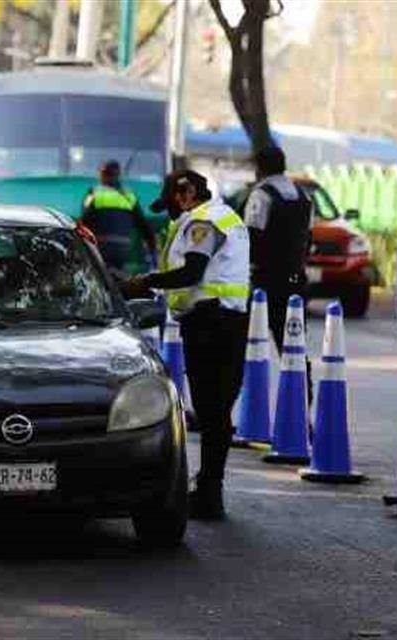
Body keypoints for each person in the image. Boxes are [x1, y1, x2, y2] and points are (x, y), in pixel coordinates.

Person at [122, 170, 250, 520]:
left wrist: (144, 282)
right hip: (227, 322)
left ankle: (210, 494)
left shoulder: (204, 222)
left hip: (211, 324)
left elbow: (192, 272)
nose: (172, 214)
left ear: (187, 192)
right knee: (216, 412)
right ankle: (211, 491)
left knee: (212, 412)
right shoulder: (225, 217)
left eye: (172, 205)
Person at [243, 146, 314, 406]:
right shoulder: (303, 196)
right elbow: (308, 238)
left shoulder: (261, 195)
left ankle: (239, 411)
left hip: (264, 283)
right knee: (294, 347)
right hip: (296, 280)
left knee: (245, 345)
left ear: (259, 167)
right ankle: (300, 411)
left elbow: (251, 238)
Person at [80, 160, 157, 277]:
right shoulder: (129, 196)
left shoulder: (95, 193)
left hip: (101, 245)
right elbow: (143, 224)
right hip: (123, 247)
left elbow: (85, 220)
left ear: (103, 175)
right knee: (115, 275)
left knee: (99, 276)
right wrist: (152, 245)